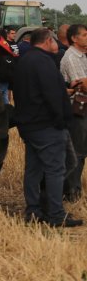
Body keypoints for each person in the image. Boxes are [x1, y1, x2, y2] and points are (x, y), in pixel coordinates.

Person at [13, 28, 83, 227]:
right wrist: (61, 121)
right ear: (47, 41)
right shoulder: (44, 62)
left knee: (34, 170)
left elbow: (29, 91)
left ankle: (34, 211)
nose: (57, 45)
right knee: (57, 168)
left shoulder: (25, 61)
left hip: (29, 124)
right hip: (47, 125)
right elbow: (51, 94)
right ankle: (55, 214)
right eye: (54, 41)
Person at [59, 24, 87, 200]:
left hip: (83, 108)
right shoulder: (71, 58)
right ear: (74, 39)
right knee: (77, 151)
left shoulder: (82, 56)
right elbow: (83, 84)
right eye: (84, 35)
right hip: (77, 110)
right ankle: (71, 191)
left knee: (81, 149)